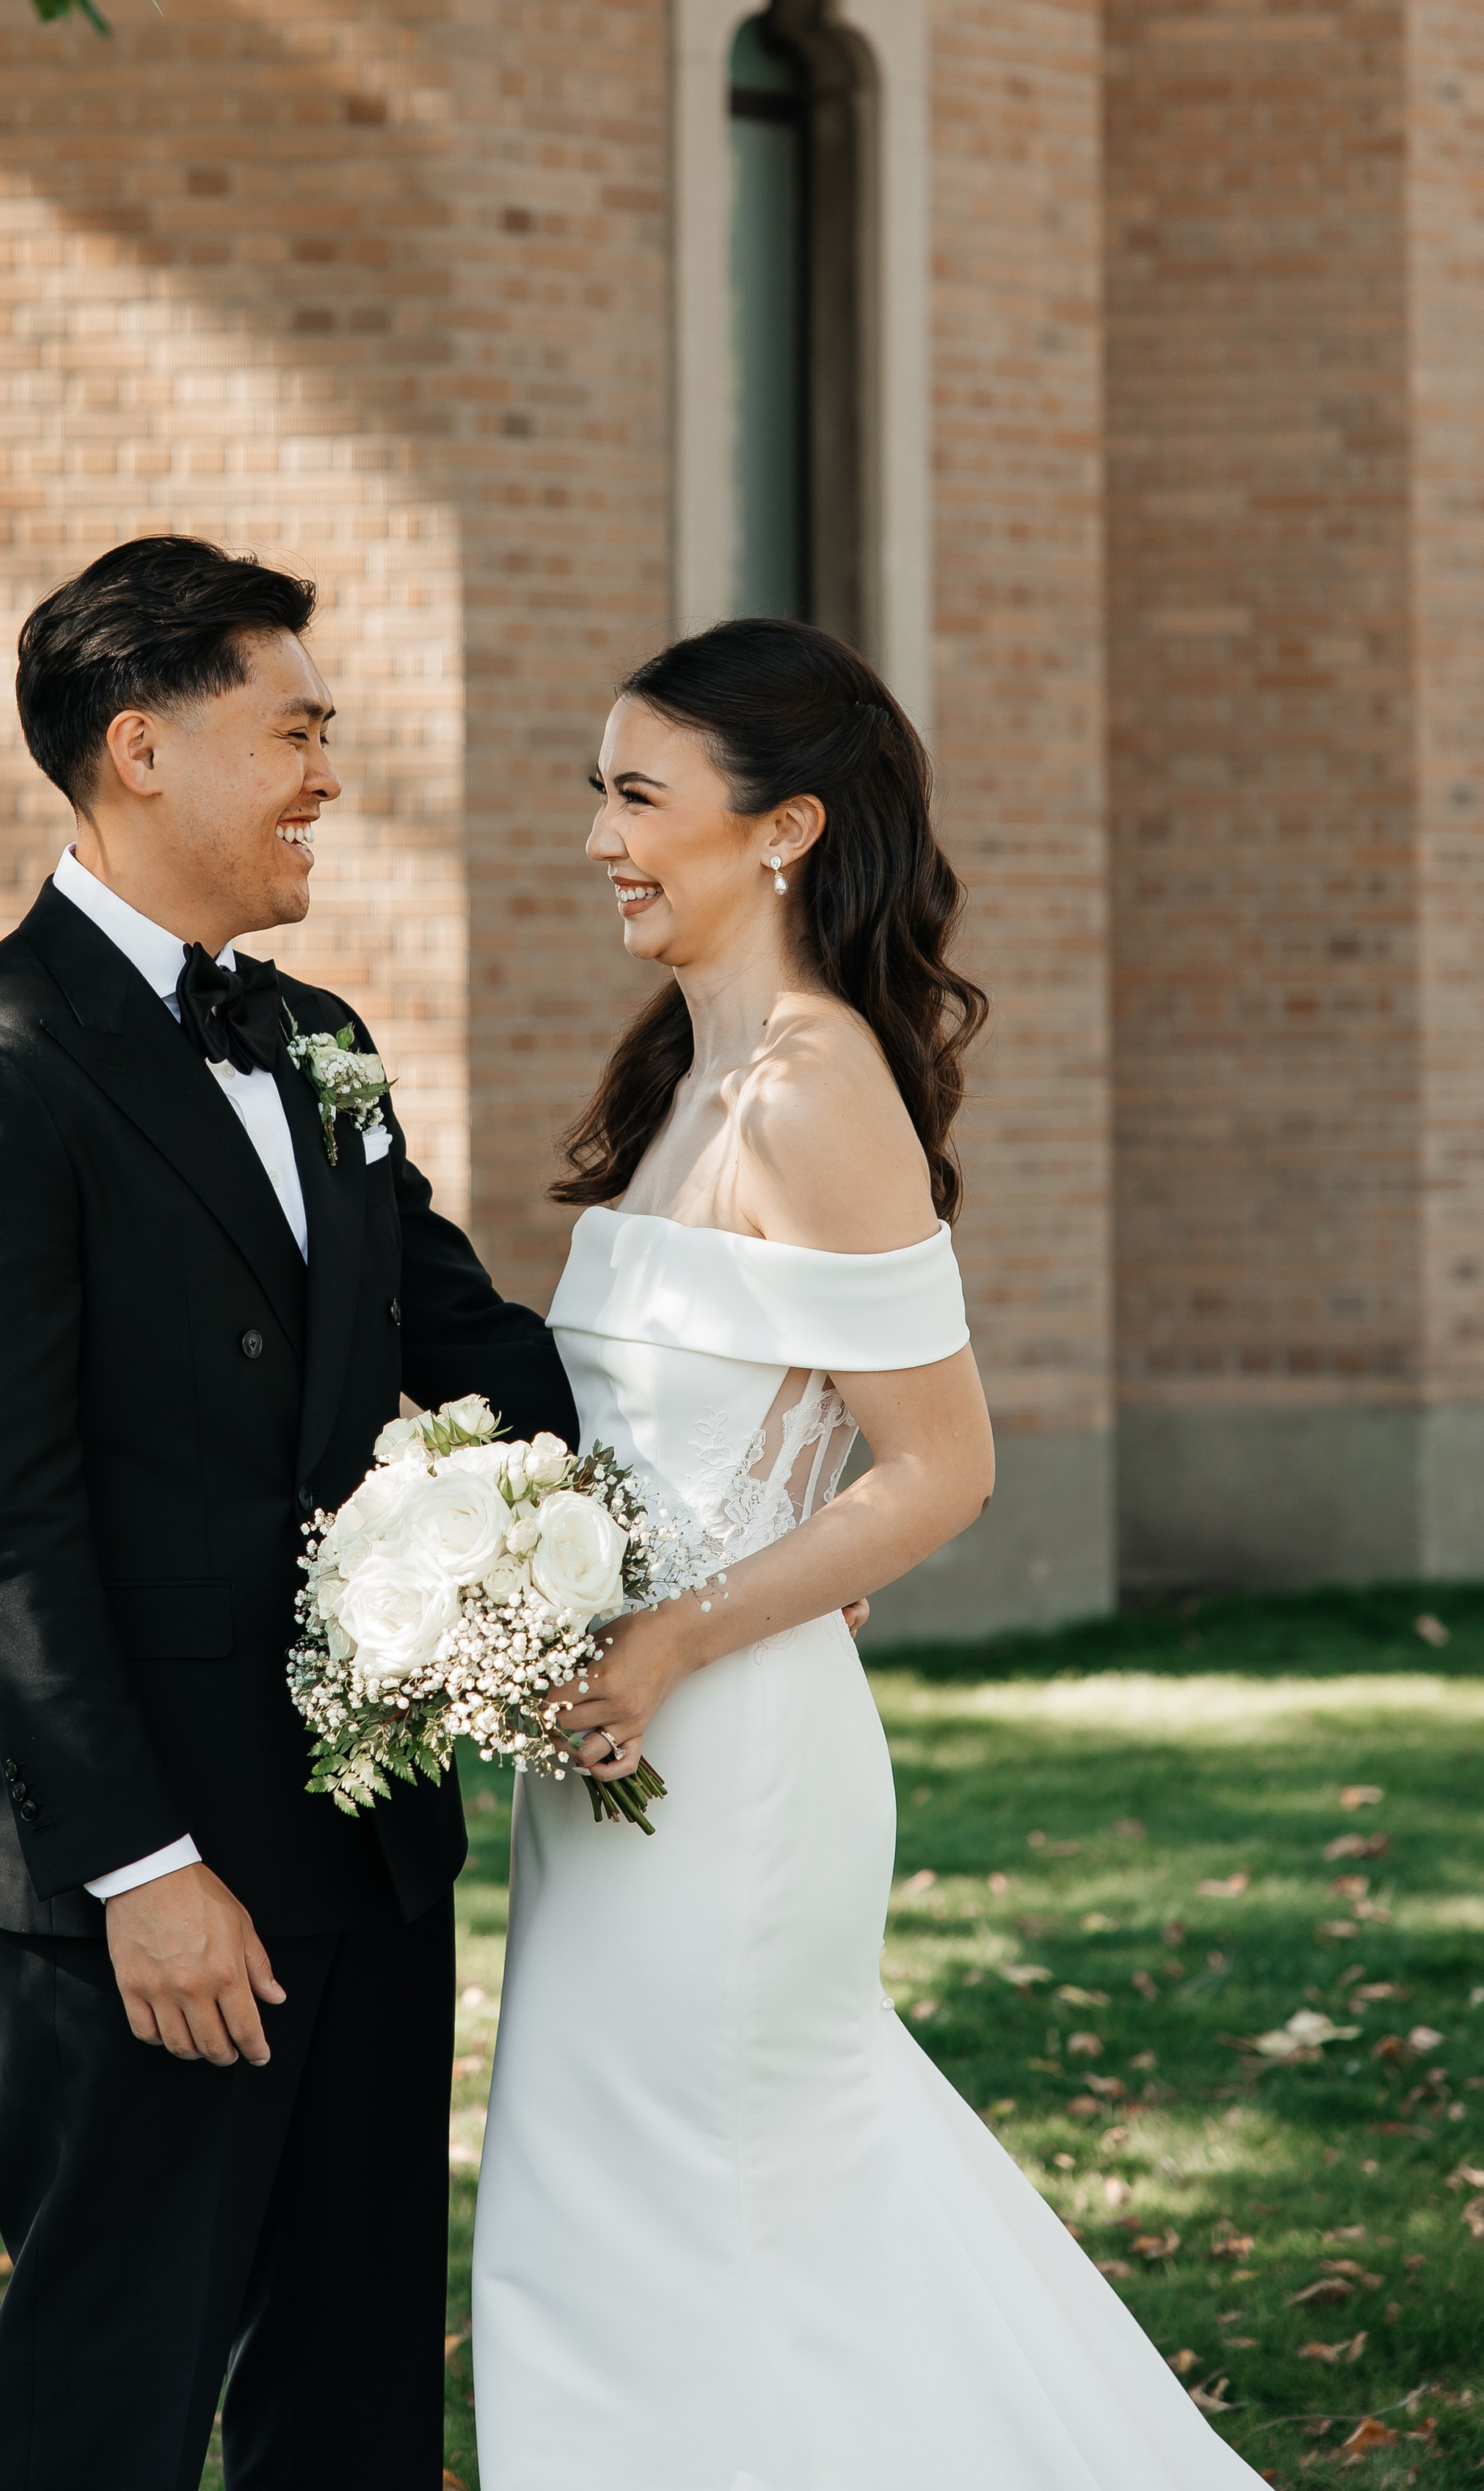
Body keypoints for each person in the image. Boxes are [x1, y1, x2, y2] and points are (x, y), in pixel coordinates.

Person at [471, 616, 1263, 2489]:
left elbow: (939, 1468)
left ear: (783, 828)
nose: (597, 831)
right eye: (596, 789)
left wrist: (664, 1641)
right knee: (632, 2216)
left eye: (638, 793)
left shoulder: (814, 1089)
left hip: (727, 1764)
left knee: (718, 2211)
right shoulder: (690, 1070)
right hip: (626, 1748)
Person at [0, 536, 577, 2491]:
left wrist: (726, 1529)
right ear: (140, 750)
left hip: (362, 1832)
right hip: (149, 1874)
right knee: (117, 2372)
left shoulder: (317, 1037)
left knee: (351, 2386)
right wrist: (142, 1870)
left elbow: (473, 1341)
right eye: (296, 731)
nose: (326, 776)